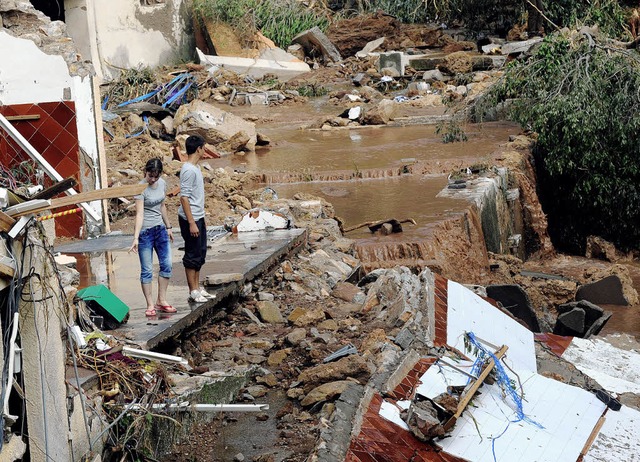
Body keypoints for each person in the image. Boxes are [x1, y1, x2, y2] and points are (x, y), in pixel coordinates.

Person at [129, 158, 176, 316]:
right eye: (150, 176)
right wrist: (135, 238)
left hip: (160, 230)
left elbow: (162, 205)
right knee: (147, 270)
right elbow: (140, 214)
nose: (153, 179)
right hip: (145, 233)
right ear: (146, 172)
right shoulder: (140, 188)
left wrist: (168, 226)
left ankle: (161, 300)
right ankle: (150, 305)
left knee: (167, 265)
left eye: (156, 176)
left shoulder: (162, 184)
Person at [178, 135, 215, 303]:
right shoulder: (188, 170)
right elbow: (184, 198)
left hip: (198, 216)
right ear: (198, 149)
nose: (204, 151)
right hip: (190, 218)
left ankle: (198, 288)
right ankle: (193, 290)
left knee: (200, 252)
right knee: (192, 254)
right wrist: (192, 222)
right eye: (203, 148)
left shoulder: (195, 168)